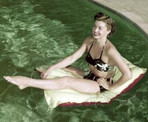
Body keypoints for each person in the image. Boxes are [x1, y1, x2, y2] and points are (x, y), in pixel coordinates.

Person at [4, 12, 132, 95]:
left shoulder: (110, 51)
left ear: (108, 31)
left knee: (66, 81)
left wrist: (112, 87)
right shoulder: (89, 41)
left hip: (99, 84)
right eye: (94, 26)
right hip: (88, 75)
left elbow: (128, 74)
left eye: (100, 28)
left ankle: (26, 82)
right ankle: (39, 76)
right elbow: (73, 57)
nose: (95, 30)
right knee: (60, 67)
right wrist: (53, 67)